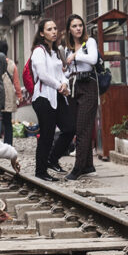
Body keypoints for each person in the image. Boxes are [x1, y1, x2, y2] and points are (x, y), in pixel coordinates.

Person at [29, 18, 75, 181]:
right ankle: (40, 171)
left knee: (70, 128)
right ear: (42, 33)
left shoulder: (56, 51)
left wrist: (64, 82)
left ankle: (52, 159)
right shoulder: (38, 51)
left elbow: (61, 71)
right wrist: (59, 85)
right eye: (49, 29)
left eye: (55, 28)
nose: (54, 32)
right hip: (44, 97)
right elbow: (42, 75)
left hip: (58, 94)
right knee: (47, 134)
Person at [61, 14, 99, 180]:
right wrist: (63, 80)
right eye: (74, 26)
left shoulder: (89, 42)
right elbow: (66, 71)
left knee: (83, 127)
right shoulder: (67, 47)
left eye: (80, 25)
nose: (78, 28)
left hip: (88, 85)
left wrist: (76, 55)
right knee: (79, 126)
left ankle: (77, 168)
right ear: (69, 29)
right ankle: (87, 166)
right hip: (73, 87)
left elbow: (93, 59)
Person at [0, 40, 22, 145]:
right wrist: (19, 95)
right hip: (9, 95)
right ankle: (8, 144)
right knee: (8, 121)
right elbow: (16, 82)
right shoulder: (12, 64)